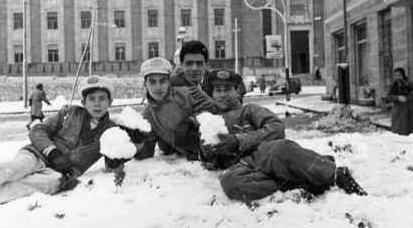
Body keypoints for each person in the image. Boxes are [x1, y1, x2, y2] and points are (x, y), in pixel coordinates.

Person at [0, 75, 128, 222]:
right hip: (37, 155)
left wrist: (130, 144)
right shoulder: (69, 112)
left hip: (61, 175)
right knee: (6, 171)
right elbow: (38, 130)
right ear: (83, 102)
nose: (97, 103)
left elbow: (112, 165)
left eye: (102, 98)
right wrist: (53, 152)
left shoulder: (112, 131)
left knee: (18, 189)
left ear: (111, 101)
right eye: (92, 99)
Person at [203, 69, 367, 202]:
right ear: (212, 93)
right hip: (243, 167)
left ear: (237, 91)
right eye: (218, 90)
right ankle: (293, 184)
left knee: (281, 148)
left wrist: (239, 140)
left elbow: (276, 128)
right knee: (229, 182)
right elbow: (210, 162)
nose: (223, 95)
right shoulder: (209, 120)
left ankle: (335, 175)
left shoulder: (250, 110)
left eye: (228, 89)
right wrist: (208, 153)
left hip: (266, 155)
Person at [135, 57, 218, 161]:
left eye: (162, 81)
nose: (158, 87)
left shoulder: (187, 93)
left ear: (169, 82)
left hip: (216, 150)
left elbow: (214, 110)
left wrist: (189, 122)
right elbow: (146, 151)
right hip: (191, 162)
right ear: (145, 84)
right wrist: (136, 140)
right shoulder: (147, 116)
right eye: (152, 82)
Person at [170, 40, 246, 103]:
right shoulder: (171, 85)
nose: (194, 69)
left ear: (206, 65)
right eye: (189, 63)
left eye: (199, 63)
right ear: (182, 65)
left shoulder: (217, 82)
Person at [386, 67, 413, 135]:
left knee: (409, 128)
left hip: (409, 108)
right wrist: (397, 97)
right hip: (398, 110)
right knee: (399, 128)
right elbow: (388, 97)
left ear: (403, 75)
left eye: (399, 75)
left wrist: (407, 98)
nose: (397, 77)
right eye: (396, 75)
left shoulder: (410, 83)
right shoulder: (392, 85)